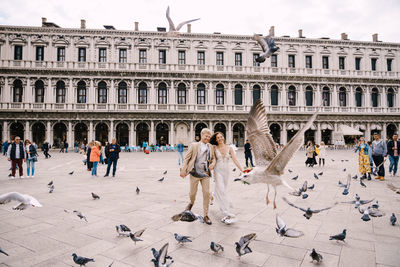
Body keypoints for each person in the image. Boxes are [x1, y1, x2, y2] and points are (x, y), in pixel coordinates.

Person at [180, 128, 216, 225]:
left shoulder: (211, 147)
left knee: (206, 193)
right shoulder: (194, 145)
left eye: (209, 136)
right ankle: (191, 202)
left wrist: (212, 164)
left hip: (205, 174)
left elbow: (213, 159)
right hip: (194, 173)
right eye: (206, 136)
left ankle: (205, 215)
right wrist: (183, 170)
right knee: (192, 193)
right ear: (201, 135)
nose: (207, 138)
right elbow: (186, 158)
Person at [210, 132, 244, 224]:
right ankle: (226, 212)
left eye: (221, 137)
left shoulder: (230, 148)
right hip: (218, 171)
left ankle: (213, 194)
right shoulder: (214, 148)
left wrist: (242, 170)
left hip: (226, 172)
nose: (220, 138)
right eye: (218, 137)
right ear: (216, 139)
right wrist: (212, 166)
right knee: (221, 190)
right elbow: (213, 160)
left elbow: (235, 160)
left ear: (223, 138)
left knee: (222, 190)